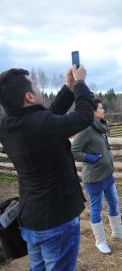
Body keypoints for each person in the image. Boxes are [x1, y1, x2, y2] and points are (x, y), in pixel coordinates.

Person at [0, 65, 94, 270]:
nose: (38, 88)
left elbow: (46, 119)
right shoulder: (41, 124)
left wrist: (68, 89)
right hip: (57, 221)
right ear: (29, 97)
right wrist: (79, 83)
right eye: (35, 85)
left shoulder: (6, 126)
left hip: (31, 219)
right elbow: (85, 116)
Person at [71, 99, 122, 254]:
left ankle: (117, 233)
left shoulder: (100, 127)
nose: (103, 110)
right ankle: (100, 241)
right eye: (100, 108)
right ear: (93, 111)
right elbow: (74, 151)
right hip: (94, 177)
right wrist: (91, 158)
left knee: (114, 201)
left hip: (107, 174)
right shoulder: (86, 130)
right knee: (96, 208)